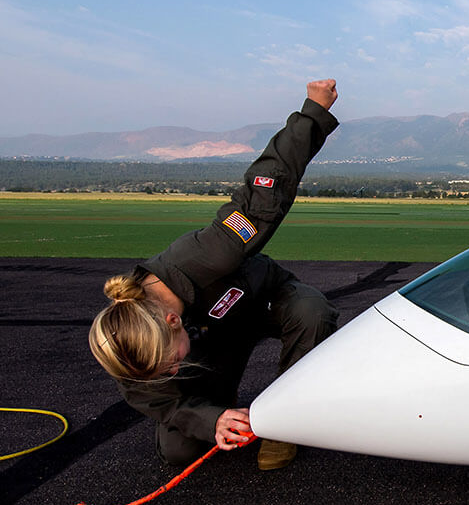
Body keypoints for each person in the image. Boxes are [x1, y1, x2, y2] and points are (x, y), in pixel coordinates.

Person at [89, 78, 341, 471]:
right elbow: (153, 397)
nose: (170, 374)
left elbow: (266, 191)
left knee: (312, 311)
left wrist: (312, 113)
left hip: (262, 300)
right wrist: (212, 420)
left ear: (172, 321)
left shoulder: (208, 256)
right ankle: (222, 413)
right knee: (180, 451)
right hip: (214, 342)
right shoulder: (128, 339)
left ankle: (286, 424)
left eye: (169, 366)